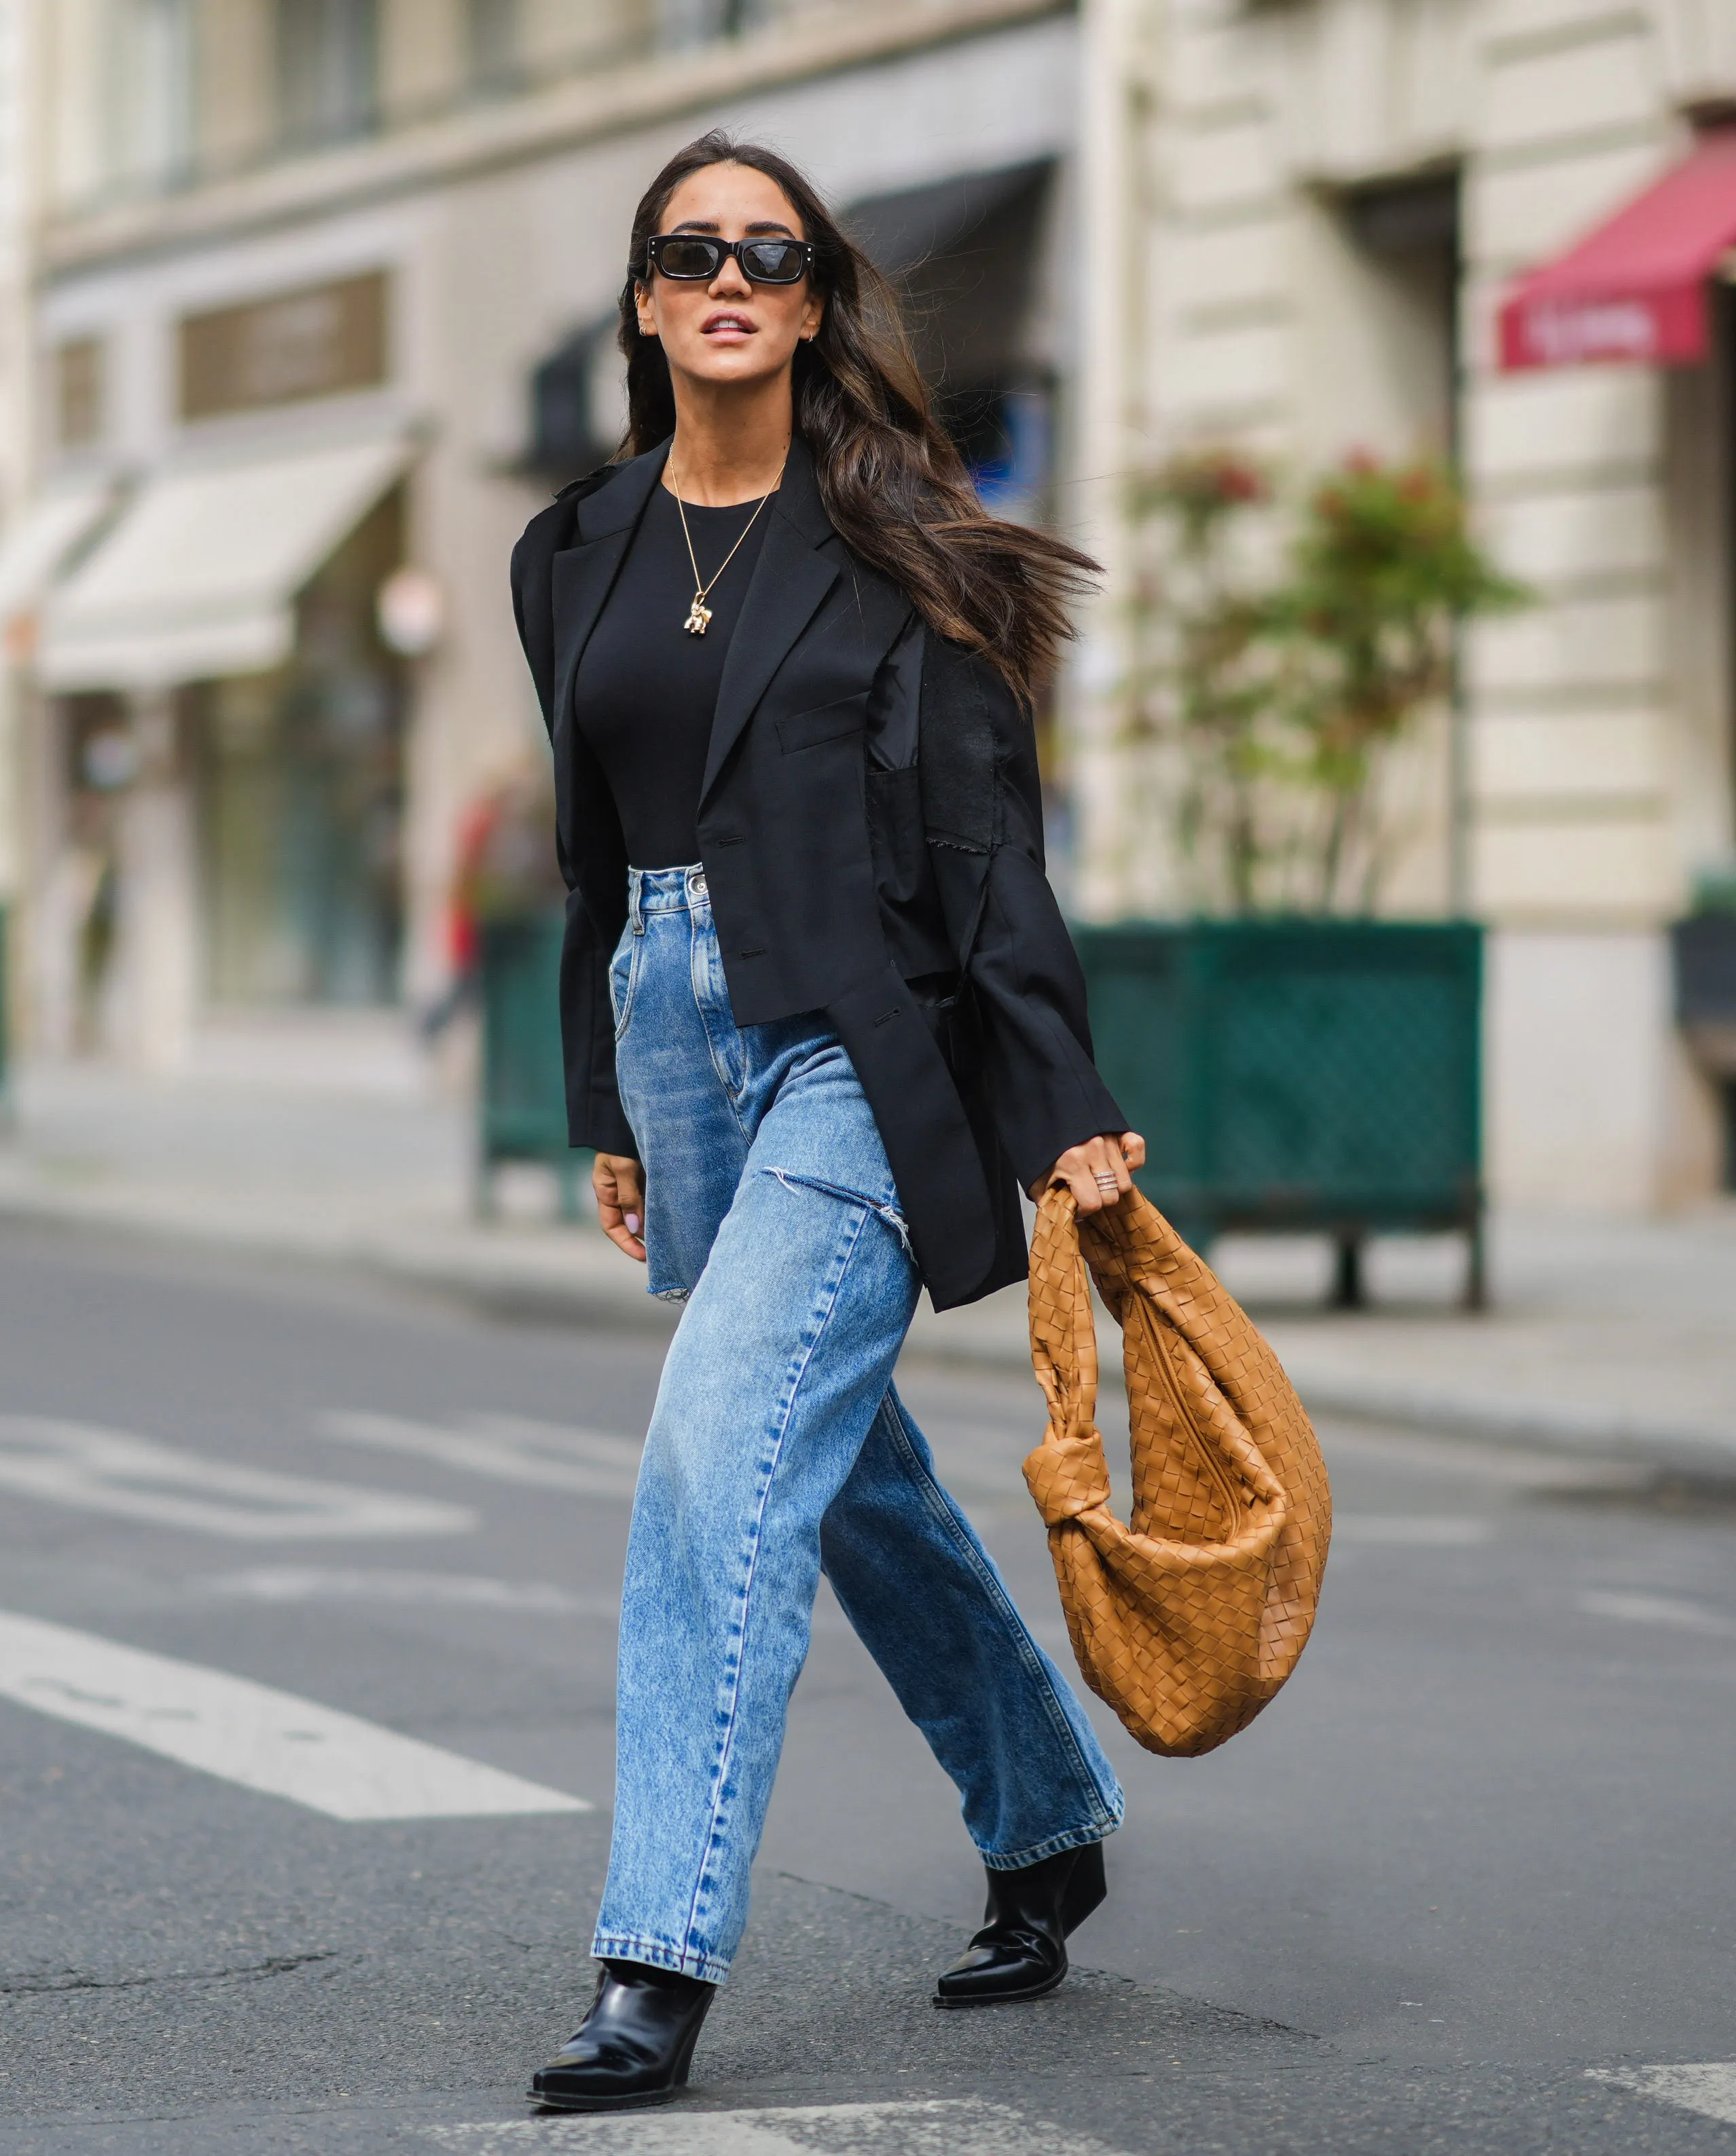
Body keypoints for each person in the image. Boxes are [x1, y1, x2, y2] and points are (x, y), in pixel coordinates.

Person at [506, 132, 1149, 2114]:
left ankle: (655, 1956)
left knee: (719, 1453)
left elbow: (986, 853)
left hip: (856, 1054)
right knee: (841, 1463)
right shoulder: (573, 551)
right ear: (642, 298)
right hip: (680, 1041)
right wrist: (605, 1093)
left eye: (766, 253)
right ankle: (1045, 1815)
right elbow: (597, 861)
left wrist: (1064, 1107)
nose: (728, 277)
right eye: (690, 250)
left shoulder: (896, 546)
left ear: (807, 302)